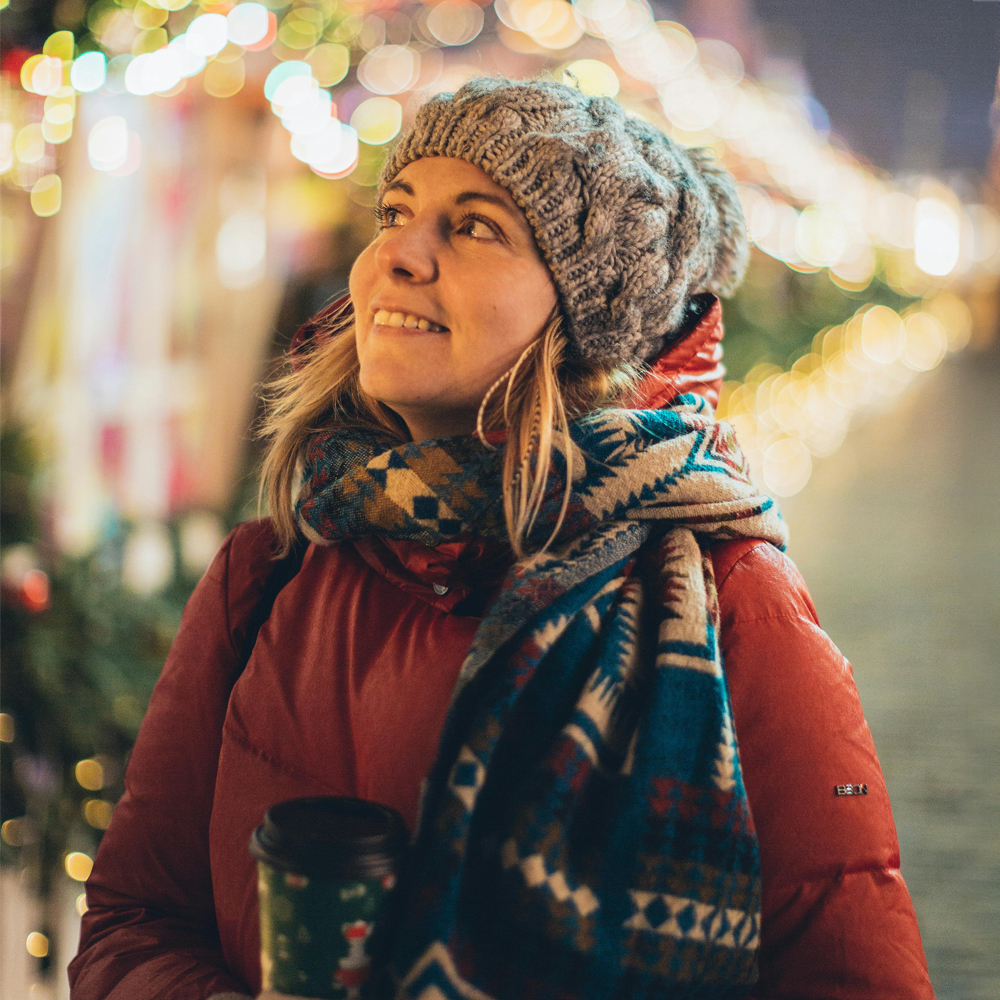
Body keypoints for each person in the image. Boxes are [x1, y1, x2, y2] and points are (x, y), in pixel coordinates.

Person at [68, 77, 935, 1000]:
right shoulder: (271, 573)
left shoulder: (730, 596)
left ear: (584, 320)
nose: (397, 252)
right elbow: (134, 919)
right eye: (395, 210)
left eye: (475, 226)